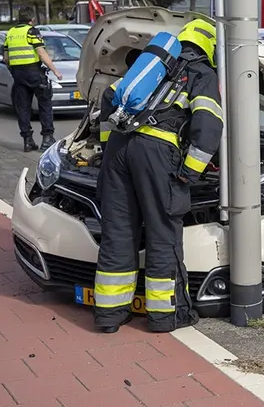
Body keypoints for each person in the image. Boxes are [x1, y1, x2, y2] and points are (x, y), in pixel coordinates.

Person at [93, 18, 223, 334]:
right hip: (158, 153)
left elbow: (109, 99)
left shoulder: (150, 64)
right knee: (163, 234)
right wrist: (188, 174)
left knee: (119, 231)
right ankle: (166, 316)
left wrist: (110, 149)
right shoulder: (202, 74)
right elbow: (207, 127)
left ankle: (109, 315)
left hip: (119, 149)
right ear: (210, 47)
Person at [2, 9, 62, 152]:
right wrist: (55, 70)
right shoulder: (32, 32)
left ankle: (28, 141)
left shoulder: (10, 33)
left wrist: (14, 71)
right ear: (32, 19)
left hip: (18, 75)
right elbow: (41, 53)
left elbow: (6, 58)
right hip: (34, 73)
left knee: (23, 108)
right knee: (45, 104)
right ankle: (47, 139)